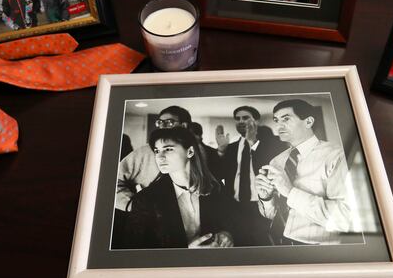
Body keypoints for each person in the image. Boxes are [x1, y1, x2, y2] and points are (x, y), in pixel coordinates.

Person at [121, 127, 238, 249]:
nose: (160, 157)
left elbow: (233, 220)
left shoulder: (215, 188)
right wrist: (185, 252)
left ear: (190, 152)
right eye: (156, 151)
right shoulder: (146, 198)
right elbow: (134, 250)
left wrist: (228, 234)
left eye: (168, 149)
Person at [256, 99, 352, 245]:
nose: (278, 126)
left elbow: (345, 218)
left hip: (316, 249)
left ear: (308, 122)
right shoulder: (276, 162)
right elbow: (271, 215)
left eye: (286, 119)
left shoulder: (336, 156)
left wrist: (290, 191)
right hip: (276, 242)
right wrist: (266, 198)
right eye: (276, 120)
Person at [213, 106, 286, 246]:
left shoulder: (273, 143)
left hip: (262, 206)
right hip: (235, 207)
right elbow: (219, 174)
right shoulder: (231, 148)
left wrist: (252, 142)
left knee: (265, 246)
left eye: (245, 117)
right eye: (238, 119)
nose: (241, 121)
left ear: (256, 121)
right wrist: (221, 151)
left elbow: (271, 167)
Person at [115, 106, 192, 212]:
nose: (162, 126)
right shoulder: (144, 152)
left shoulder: (198, 153)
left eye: (169, 122)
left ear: (184, 125)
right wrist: (132, 205)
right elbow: (114, 181)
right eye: (160, 123)